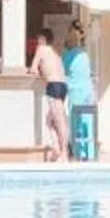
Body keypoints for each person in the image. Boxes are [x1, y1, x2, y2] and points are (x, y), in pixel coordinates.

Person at [29, 30, 69, 162]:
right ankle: (56, 148)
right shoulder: (55, 53)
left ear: (43, 39)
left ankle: (64, 153)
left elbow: (33, 69)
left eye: (39, 38)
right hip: (62, 87)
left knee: (59, 121)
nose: (37, 41)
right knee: (49, 121)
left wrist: (32, 70)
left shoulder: (41, 49)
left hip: (53, 86)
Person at [66, 27, 99, 160]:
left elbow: (63, 72)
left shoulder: (67, 55)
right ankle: (90, 152)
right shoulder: (85, 55)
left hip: (75, 92)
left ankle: (78, 152)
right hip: (88, 92)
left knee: (76, 123)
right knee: (87, 122)